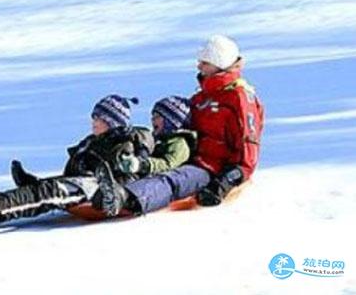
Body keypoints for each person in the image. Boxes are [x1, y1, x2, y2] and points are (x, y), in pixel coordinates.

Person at [95, 35, 265, 217]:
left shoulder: (239, 99)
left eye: (204, 62)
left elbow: (248, 156)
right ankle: (96, 183)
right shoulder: (201, 98)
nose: (198, 67)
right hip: (188, 156)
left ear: (219, 65)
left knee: (173, 180)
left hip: (213, 168)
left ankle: (124, 197)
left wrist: (223, 183)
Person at [0, 94, 154, 224]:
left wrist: (105, 184)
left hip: (99, 189)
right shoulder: (94, 141)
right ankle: (21, 191)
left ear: (113, 121)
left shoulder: (124, 143)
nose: (93, 122)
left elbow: (127, 175)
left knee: (53, 192)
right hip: (83, 182)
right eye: (93, 117)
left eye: (99, 118)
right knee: (51, 188)